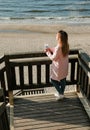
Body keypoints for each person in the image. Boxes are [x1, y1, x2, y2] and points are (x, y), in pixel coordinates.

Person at [45, 30, 69, 101]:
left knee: (53, 80)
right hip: (64, 67)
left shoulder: (59, 47)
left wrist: (47, 52)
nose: (55, 36)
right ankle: (61, 93)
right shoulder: (66, 45)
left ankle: (61, 93)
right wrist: (50, 49)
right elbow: (56, 50)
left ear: (59, 38)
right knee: (63, 79)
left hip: (58, 68)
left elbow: (53, 58)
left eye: (57, 35)